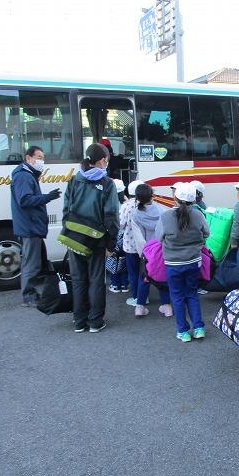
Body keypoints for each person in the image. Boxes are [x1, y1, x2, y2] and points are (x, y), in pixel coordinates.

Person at [63, 143, 119, 333]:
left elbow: (66, 209)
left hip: (74, 236)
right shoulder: (107, 183)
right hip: (96, 238)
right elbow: (111, 216)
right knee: (96, 280)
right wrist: (111, 243)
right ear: (102, 160)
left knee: (78, 280)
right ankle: (95, 321)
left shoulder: (74, 180)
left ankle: (79, 321)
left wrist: (69, 231)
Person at [156, 182, 210, 342]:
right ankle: (199, 328)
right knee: (192, 294)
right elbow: (207, 233)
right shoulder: (198, 215)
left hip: (173, 264)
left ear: (175, 197)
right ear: (194, 200)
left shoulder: (166, 216)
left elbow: (159, 237)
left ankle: (183, 331)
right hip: (193, 261)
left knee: (177, 296)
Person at [10, 145, 61, 307]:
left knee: (34, 262)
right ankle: (29, 296)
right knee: (31, 264)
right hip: (30, 226)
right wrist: (47, 197)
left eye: (42, 158)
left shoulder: (27, 174)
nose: (41, 161)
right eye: (39, 158)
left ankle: (35, 293)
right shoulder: (24, 176)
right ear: (28, 158)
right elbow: (25, 200)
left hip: (30, 225)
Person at [132, 183, 173, 318]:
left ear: (137, 197)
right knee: (162, 277)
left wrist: (143, 253)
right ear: (152, 195)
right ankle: (167, 307)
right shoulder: (162, 210)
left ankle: (140, 307)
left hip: (147, 251)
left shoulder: (136, 214)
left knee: (144, 278)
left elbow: (139, 238)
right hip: (161, 249)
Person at [120, 179, 145, 306]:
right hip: (145, 245)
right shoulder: (147, 204)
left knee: (133, 273)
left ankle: (136, 298)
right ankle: (144, 297)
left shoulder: (126, 206)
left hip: (130, 245)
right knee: (144, 272)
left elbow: (121, 225)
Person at [108, 179, 130, 294]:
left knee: (113, 260)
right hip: (124, 237)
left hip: (113, 236)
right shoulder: (127, 204)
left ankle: (115, 285)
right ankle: (124, 284)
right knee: (123, 261)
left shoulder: (109, 203)